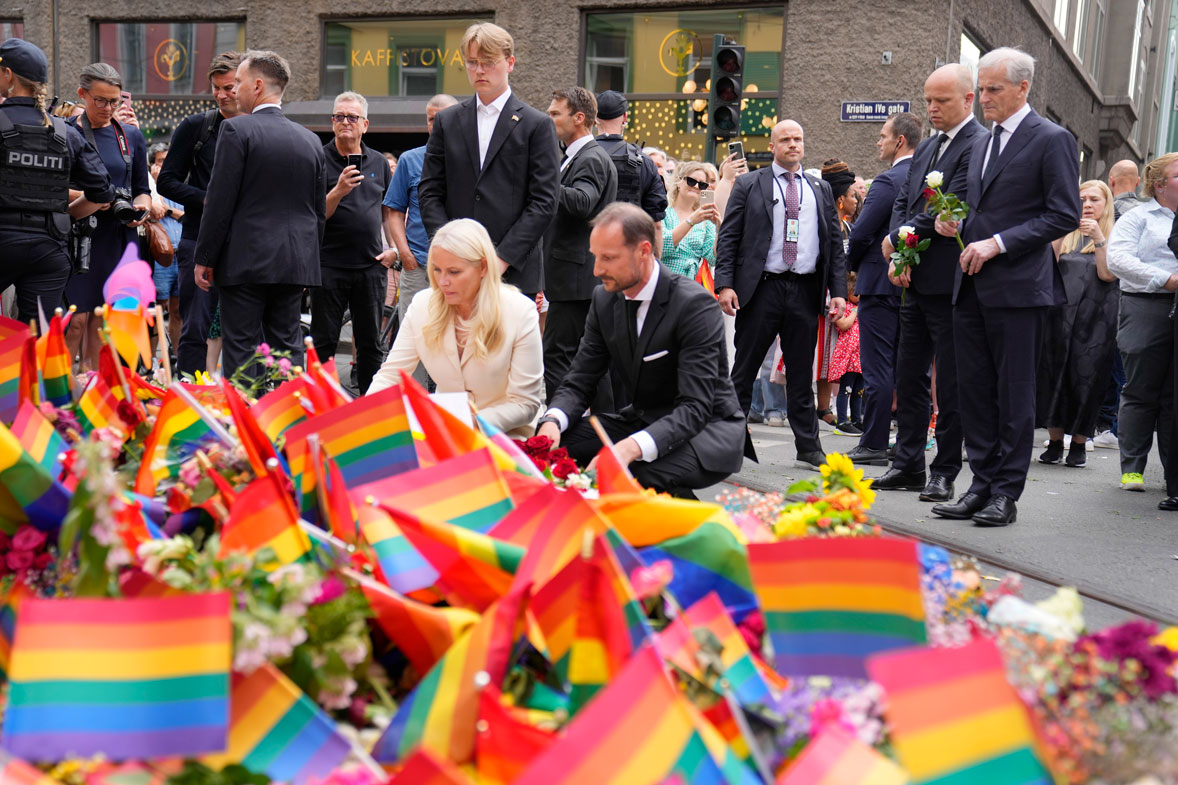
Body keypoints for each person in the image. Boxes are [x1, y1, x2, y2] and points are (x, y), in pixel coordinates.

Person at [931, 47, 1081, 526]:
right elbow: (983, 207)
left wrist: (997, 243)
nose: (986, 98)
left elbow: (1063, 214)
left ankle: (1006, 493)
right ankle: (980, 483)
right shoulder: (981, 141)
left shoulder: (1052, 139)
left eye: (995, 89)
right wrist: (955, 224)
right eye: (984, 88)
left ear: (1023, 88)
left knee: (1013, 392)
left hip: (1019, 289)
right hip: (970, 286)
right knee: (973, 391)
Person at [536, 203, 749, 493]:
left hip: (707, 431)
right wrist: (552, 421)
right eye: (596, 257)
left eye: (608, 259)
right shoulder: (603, 299)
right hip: (642, 419)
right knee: (547, 447)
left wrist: (629, 448)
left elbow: (696, 407)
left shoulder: (695, 305)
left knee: (632, 471)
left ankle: (686, 529)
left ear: (644, 251)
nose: (597, 270)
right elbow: (579, 380)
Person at [876, 63, 985, 503]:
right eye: (928, 101)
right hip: (914, 278)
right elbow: (906, 199)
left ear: (968, 99)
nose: (932, 108)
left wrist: (899, 240)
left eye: (941, 101)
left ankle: (944, 470)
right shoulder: (928, 146)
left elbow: (950, 204)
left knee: (951, 381)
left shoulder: (977, 144)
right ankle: (907, 464)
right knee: (909, 373)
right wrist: (900, 252)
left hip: (951, 281)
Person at [714, 119, 848, 471]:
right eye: (785, 139)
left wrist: (839, 292)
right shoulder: (749, 184)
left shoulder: (819, 189)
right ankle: (728, 443)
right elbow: (729, 237)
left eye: (798, 139)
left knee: (802, 373)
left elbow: (833, 245)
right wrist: (725, 284)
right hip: (761, 289)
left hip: (804, 290)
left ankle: (808, 446)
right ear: (772, 146)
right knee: (743, 369)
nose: (793, 144)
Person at [193, 50, 326, 378]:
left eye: (237, 82)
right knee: (287, 347)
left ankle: (247, 424)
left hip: (245, 261)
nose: (233, 89)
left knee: (241, 346)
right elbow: (317, 212)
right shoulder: (311, 141)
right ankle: (290, 419)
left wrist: (205, 257)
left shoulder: (237, 131)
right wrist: (308, 259)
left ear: (257, 85)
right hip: (295, 262)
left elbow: (219, 201)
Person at [417, 22, 559, 298]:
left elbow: (544, 201)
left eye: (489, 62)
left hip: (513, 272)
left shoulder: (537, 124)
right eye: (472, 63)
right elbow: (430, 191)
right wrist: (452, 253)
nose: (480, 70)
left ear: (511, 63)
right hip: (454, 272)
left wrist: (500, 259)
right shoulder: (447, 120)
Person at [369, 218, 542, 437]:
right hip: (444, 434)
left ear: (483, 267)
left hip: (506, 437)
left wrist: (466, 422)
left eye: (454, 272)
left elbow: (525, 404)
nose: (442, 282)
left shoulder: (519, 311)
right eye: (437, 270)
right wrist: (364, 421)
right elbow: (390, 376)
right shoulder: (423, 304)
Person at [0, 39, 112, 323]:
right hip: (48, 248)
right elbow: (102, 192)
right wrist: (64, 215)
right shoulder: (64, 132)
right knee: (40, 341)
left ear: (8, 75)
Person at [65, 63, 154, 371]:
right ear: (82, 94)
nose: (108, 108)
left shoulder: (130, 136)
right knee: (74, 320)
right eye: (100, 100)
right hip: (78, 236)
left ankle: (91, 390)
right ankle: (59, 395)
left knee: (102, 322)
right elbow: (52, 190)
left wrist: (139, 209)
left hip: (118, 236)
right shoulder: (64, 132)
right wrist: (93, 198)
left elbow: (141, 189)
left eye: (114, 101)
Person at [157, 51, 242, 376]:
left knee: (246, 327)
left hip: (246, 242)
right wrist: (208, 200)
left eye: (230, 87)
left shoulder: (259, 126)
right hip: (198, 237)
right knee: (195, 323)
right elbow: (166, 181)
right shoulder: (198, 126)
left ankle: (244, 401)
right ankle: (188, 395)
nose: (221, 95)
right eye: (216, 87)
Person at [844, 111, 918, 461]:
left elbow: (860, 232)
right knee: (909, 368)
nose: (879, 141)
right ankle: (905, 443)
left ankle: (873, 441)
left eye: (883, 135)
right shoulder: (924, 178)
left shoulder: (889, 181)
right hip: (912, 287)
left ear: (899, 141)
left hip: (879, 283)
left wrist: (853, 265)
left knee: (877, 367)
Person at [311, 91, 395, 394]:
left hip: (370, 266)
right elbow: (314, 215)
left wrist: (393, 250)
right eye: (339, 116)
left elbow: (387, 213)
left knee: (371, 341)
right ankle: (321, 404)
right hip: (328, 264)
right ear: (332, 122)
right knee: (323, 341)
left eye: (352, 117)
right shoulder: (317, 158)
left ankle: (369, 404)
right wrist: (338, 190)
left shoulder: (379, 163)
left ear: (365, 124)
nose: (345, 122)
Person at [1106, 153, 1178, 492]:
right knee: (1139, 390)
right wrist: (1167, 279)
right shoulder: (1139, 217)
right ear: (1160, 184)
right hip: (1146, 306)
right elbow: (1118, 259)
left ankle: (1172, 474)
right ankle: (1132, 468)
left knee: (1173, 396)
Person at [542, 87, 617, 404]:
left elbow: (584, 202)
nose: (550, 119)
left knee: (557, 357)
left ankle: (563, 429)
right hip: (576, 277)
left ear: (579, 118)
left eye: (555, 113)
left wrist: (544, 180)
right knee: (590, 361)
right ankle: (601, 433)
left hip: (575, 280)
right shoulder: (576, 157)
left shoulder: (590, 158)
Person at [1036, 180, 1119, 468]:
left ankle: (1080, 443)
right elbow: (1047, 264)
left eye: (1094, 199)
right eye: (1082, 198)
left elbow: (1107, 274)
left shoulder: (1113, 233)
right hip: (1059, 315)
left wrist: (1099, 238)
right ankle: (1056, 441)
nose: (1087, 204)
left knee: (1088, 377)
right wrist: (1060, 229)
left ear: (1106, 203)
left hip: (1097, 319)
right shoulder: (1067, 231)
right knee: (1053, 373)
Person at [383, 94, 458, 388]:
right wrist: (405, 254)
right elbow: (393, 211)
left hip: (457, 271)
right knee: (414, 341)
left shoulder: (472, 161)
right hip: (418, 267)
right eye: (431, 118)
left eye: (443, 117)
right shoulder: (411, 160)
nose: (436, 124)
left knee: (454, 341)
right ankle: (415, 410)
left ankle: (446, 408)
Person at [593, 90, 667, 246]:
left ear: (594, 119)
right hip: (627, 251)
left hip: (585, 253)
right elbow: (656, 224)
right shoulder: (644, 162)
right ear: (625, 118)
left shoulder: (579, 155)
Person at [815, 159, 857, 429]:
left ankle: (823, 407)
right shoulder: (829, 222)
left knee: (830, 356)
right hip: (825, 292)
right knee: (820, 354)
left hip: (840, 293)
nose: (857, 199)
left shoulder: (847, 226)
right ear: (840, 199)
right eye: (853, 195)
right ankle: (816, 407)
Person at [148, 142, 183, 356]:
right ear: (152, 164)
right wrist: (154, 182)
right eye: (160, 161)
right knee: (157, 310)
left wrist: (168, 210)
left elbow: (183, 215)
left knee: (178, 310)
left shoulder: (179, 185)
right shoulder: (150, 188)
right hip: (160, 257)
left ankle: (178, 358)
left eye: (167, 161)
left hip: (182, 255)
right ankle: (151, 360)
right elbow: (154, 212)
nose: (164, 165)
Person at [660, 161, 718, 279]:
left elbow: (713, 258)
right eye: (691, 181)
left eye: (702, 185)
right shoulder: (663, 211)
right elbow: (661, 247)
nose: (696, 187)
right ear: (678, 181)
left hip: (692, 286)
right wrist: (691, 221)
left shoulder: (705, 219)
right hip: (664, 281)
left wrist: (719, 229)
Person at [829, 271, 863, 432]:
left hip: (861, 356)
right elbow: (843, 325)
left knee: (859, 390)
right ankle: (842, 421)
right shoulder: (846, 308)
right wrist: (856, 311)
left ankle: (856, 419)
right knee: (846, 388)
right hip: (848, 356)